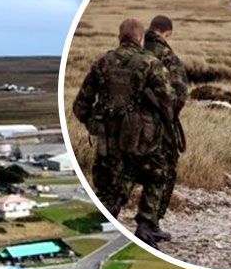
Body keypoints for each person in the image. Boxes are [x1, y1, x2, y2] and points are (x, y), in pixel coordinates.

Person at [72, 18, 173, 246]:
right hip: (144, 139)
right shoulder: (150, 63)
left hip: (108, 139)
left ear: (120, 37)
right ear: (140, 38)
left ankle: (107, 226)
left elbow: (80, 105)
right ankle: (146, 226)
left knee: (109, 187)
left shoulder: (102, 63)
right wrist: (158, 122)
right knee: (157, 176)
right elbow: (169, 101)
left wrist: (94, 124)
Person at [140, 15, 188, 242]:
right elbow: (179, 93)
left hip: (123, 129)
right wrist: (168, 117)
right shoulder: (167, 56)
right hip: (158, 127)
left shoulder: (133, 51)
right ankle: (150, 223)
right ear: (167, 32)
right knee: (162, 174)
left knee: (122, 177)